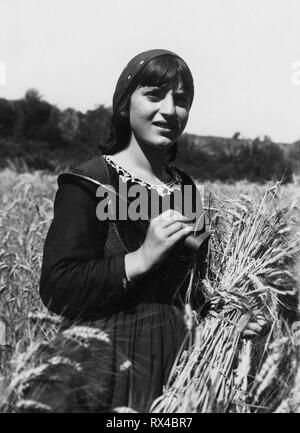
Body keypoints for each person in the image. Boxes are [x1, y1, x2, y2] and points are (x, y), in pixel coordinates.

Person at [39, 49, 268, 412]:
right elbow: (58, 287)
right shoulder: (92, 180)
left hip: (180, 371)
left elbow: (188, 291)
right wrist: (141, 258)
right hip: (104, 370)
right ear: (123, 103)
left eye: (181, 100)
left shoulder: (186, 189)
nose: (169, 110)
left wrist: (227, 320)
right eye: (153, 95)